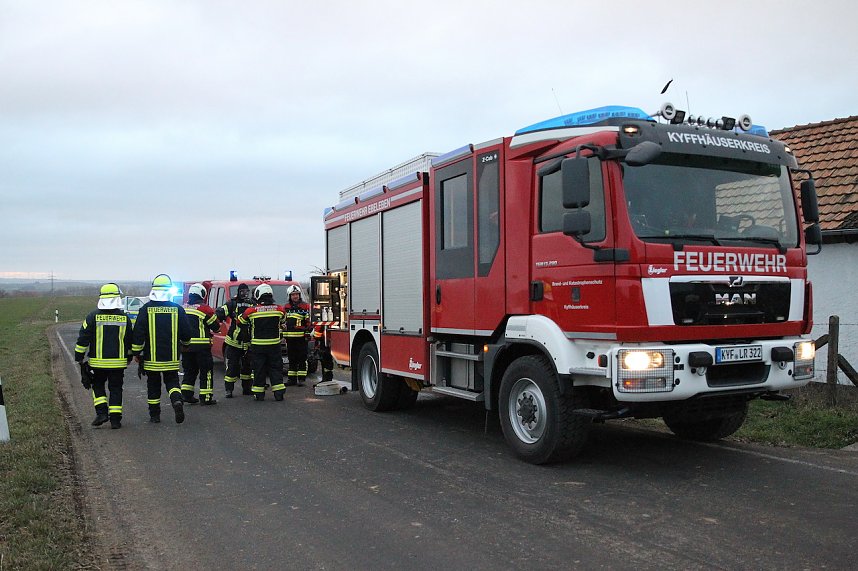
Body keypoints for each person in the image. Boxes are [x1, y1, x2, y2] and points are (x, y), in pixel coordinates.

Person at [132, 274, 192, 424]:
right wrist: (185, 344)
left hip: (151, 359)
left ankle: (154, 416)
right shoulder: (178, 309)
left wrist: (136, 352)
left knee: (153, 386)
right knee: (172, 382)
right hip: (171, 359)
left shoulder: (145, 309)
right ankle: (177, 401)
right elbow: (186, 333)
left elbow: (138, 333)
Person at [74, 283, 133, 429]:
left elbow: (83, 339)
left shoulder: (92, 316)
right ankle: (115, 420)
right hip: (118, 364)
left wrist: (79, 357)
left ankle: (101, 413)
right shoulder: (125, 318)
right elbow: (130, 341)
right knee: (116, 389)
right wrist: (130, 356)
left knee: (98, 386)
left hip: (97, 363)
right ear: (117, 298)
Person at [238, 284, 286, 401]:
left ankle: (259, 394)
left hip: (258, 346)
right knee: (275, 368)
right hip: (274, 345)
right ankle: (278, 393)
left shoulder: (251, 311)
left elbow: (240, 322)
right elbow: (283, 321)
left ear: (258, 295)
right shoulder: (279, 309)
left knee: (259, 369)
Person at [182, 283, 220, 405]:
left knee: (189, 371)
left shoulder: (183, 307)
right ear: (202, 294)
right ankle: (206, 397)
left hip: (186, 347)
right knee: (206, 371)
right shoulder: (205, 309)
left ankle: (186, 395)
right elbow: (216, 326)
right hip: (202, 347)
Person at [216, 283, 254, 397]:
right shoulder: (232, 303)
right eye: (242, 291)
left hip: (247, 341)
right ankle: (229, 390)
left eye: (246, 291)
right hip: (233, 341)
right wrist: (224, 315)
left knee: (247, 367)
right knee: (232, 366)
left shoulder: (252, 304)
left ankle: (247, 389)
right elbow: (220, 312)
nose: (244, 294)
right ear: (238, 292)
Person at [283, 285, 311, 386]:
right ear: (289, 296)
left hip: (301, 337)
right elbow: (283, 320)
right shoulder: (286, 307)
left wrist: (307, 333)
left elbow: (308, 321)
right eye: (293, 295)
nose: (295, 296)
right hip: (289, 338)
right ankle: (292, 379)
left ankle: (301, 379)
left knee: (302, 358)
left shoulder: (305, 306)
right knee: (292, 358)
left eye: (297, 294)